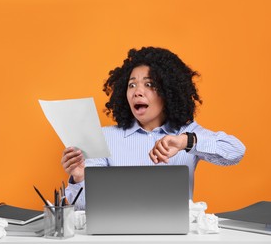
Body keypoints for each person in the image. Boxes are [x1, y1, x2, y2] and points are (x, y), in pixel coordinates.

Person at [61, 47, 246, 210]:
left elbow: (236, 152)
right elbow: (82, 208)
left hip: (175, 242)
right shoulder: (105, 137)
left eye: (149, 84)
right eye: (131, 85)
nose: (137, 92)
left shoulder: (186, 133)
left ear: (168, 91)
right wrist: (79, 178)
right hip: (118, 241)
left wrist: (185, 142)